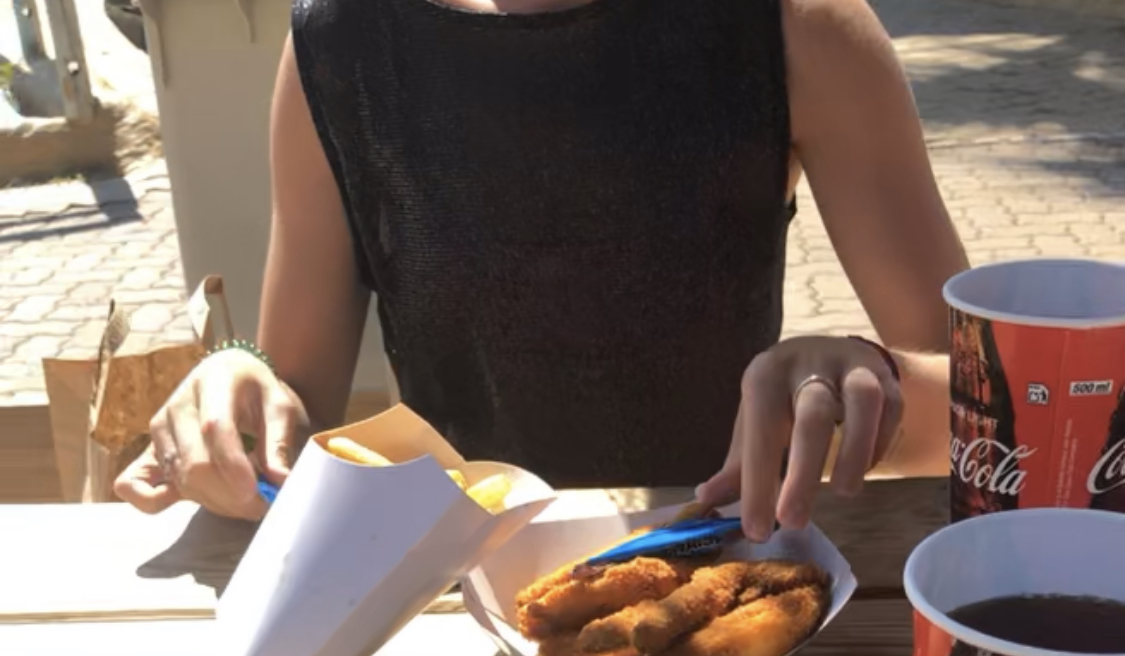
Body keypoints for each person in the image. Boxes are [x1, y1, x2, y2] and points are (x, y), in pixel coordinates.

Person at [115, 0, 967, 542]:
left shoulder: (793, 27)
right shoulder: (341, 46)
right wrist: (237, 384)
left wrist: (868, 381)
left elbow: (987, 406)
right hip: (459, 606)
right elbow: (292, 412)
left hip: (732, 581)